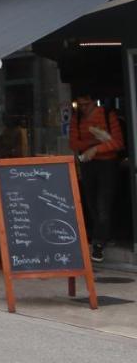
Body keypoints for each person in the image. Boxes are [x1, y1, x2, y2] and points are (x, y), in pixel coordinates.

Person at [69, 94, 125, 263]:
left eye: (86, 105)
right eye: (80, 105)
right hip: (87, 164)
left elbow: (118, 143)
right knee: (91, 202)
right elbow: (73, 143)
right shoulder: (77, 118)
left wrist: (96, 149)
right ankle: (102, 235)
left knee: (103, 202)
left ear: (94, 102)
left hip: (107, 164)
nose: (84, 109)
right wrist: (94, 143)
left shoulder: (108, 116)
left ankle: (98, 243)